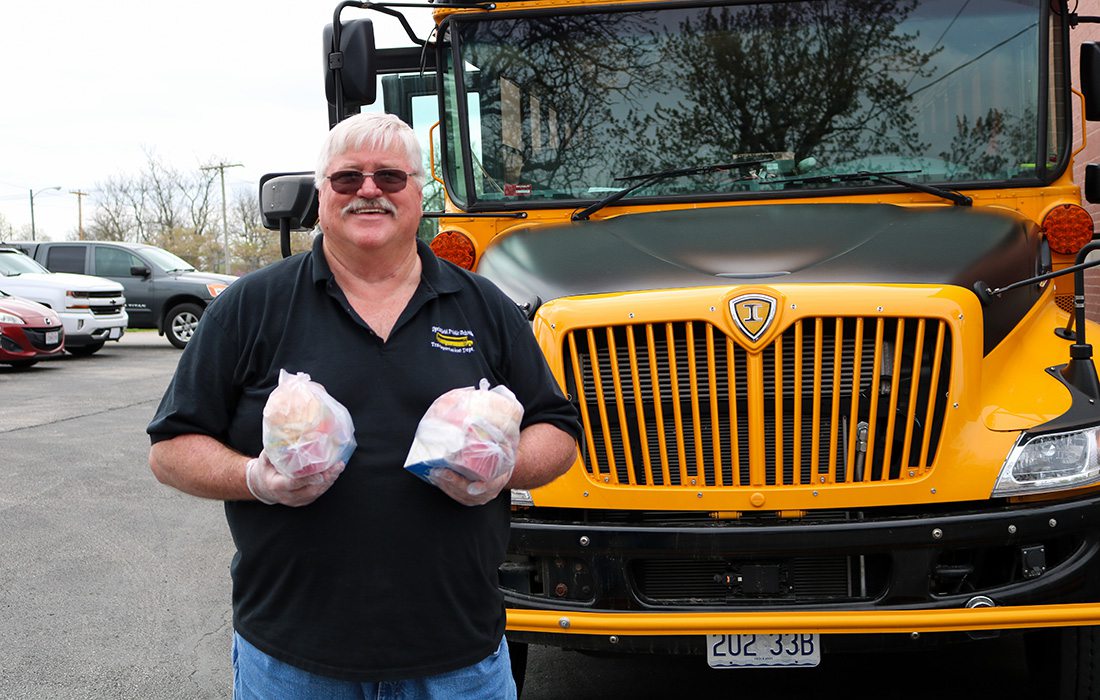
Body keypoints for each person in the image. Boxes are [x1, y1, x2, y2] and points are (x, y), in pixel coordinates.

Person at [147, 111, 580, 699]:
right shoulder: (252, 305)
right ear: (321, 194)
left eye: (390, 178)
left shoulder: (482, 305)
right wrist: (255, 477)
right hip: (293, 658)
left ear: (419, 193)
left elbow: (558, 431)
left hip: (459, 657)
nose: (369, 190)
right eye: (347, 178)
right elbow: (172, 449)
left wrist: (506, 468)